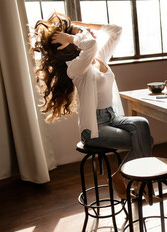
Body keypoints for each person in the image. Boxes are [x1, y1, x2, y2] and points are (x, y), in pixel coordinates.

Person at [29, 12, 153, 199]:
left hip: (113, 117)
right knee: (144, 141)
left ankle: (122, 177)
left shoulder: (99, 58)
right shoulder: (75, 67)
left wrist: (81, 24)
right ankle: (138, 182)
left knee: (142, 124)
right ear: (70, 43)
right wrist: (71, 36)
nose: (85, 32)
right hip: (95, 128)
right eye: (81, 32)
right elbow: (91, 45)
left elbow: (116, 31)